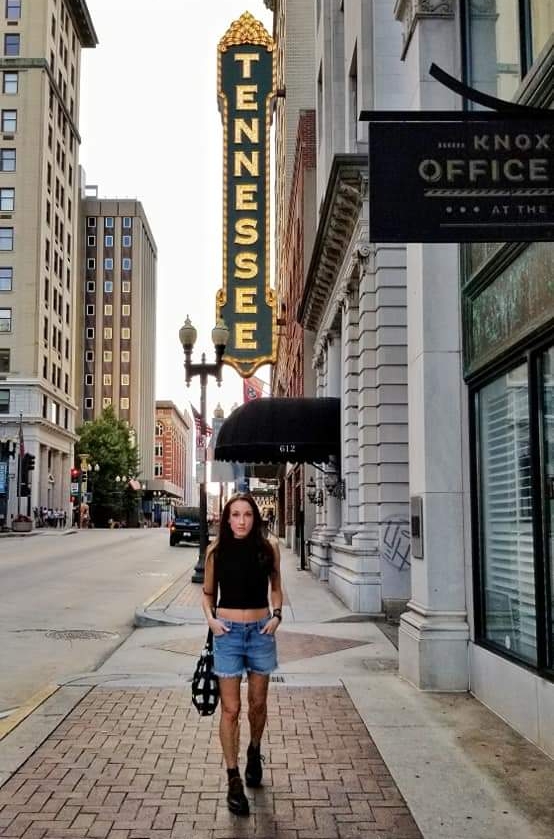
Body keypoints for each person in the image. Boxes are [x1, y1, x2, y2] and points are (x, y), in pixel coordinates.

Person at [202, 492, 283, 817]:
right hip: (228, 636)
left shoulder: (268, 548)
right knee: (231, 710)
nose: (241, 521)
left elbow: (276, 586)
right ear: (227, 519)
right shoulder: (215, 552)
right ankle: (233, 779)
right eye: (235, 515)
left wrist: (277, 615)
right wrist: (211, 620)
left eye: (247, 515)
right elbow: (208, 594)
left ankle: (253, 750)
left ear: (255, 518)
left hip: (262, 633)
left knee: (258, 704)